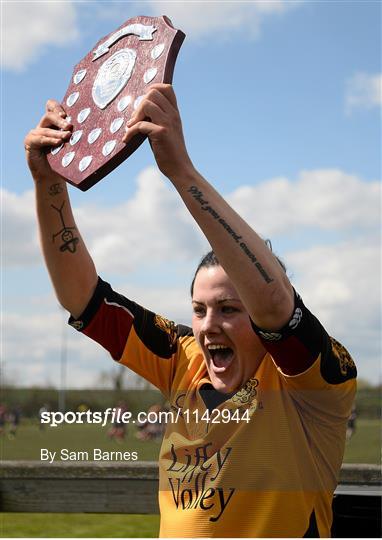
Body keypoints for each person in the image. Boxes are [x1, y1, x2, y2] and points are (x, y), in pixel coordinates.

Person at [25, 83, 357, 537]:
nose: (208, 326)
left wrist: (181, 172)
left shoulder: (311, 383)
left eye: (228, 309)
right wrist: (48, 184)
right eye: (199, 309)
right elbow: (83, 298)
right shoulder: (183, 360)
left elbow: (277, 305)